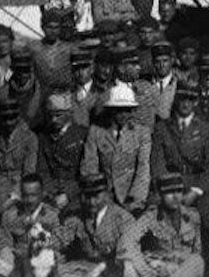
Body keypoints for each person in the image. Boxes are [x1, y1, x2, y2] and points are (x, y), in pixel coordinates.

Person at [118, 174, 204, 277]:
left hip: (182, 273)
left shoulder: (193, 216)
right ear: (160, 195)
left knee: (197, 262)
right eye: (169, 192)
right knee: (134, 262)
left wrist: (175, 264)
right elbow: (128, 239)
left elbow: (197, 252)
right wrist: (128, 264)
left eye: (179, 191)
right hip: (157, 273)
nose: (175, 197)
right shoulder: (151, 216)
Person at [56, 174, 137, 277]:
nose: (91, 202)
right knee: (58, 271)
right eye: (87, 197)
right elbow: (61, 239)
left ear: (106, 194)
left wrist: (128, 266)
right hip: (88, 268)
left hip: (114, 270)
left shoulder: (123, 218)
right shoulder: (77, 217)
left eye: (96, 196)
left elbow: (129, 247)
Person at [0, 173, 62, 277]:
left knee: (59, 269)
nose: (29, 200)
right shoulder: (10, 215)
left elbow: (56, 247)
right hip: (15, 264)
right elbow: (2, 245)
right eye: (25, 195)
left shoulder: (51, 216)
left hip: (41, 266)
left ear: (42, 194)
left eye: (33, 195)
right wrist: (13, 255)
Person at [151, 82, 209, 224]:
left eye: (191, 100)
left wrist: (196, 191)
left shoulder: (208, 129)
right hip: (169, 182)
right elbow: (157, 163)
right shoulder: (162, 128)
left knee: (206, 217)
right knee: (155, 214)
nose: (186, 104)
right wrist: (170, 191)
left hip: (198, 183)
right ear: (175, 99)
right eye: (182, 99)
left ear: (196, 102)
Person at [80, 83, 151, 214]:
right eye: (119, 110)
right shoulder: (96, 132)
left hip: (131, 198)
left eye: (128, 110)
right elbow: (90, 167)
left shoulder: (142, 133)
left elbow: (143, 169)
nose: (124, 114)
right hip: (104, 197)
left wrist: (135, 200)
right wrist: (99, 198)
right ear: (111, 110)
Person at [0, 100, 39, 217]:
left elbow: (28, 173)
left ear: (18, 116)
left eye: (12, 117)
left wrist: (11, 200)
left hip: (19, 188)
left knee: (11, 215)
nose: (9, 122)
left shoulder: (30, 138)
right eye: (5, 118)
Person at [37, 92, 89, 216]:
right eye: (50, 116)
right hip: (50, 193)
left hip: (77, 192)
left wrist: (69, 194)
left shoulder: (83, 135)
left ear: (69, 114)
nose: (53, 120)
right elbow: (42, 170)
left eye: (58, 115)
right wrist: (50, 194)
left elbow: (87, 174)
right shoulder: (43, 137)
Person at [0, 50, 45, 130]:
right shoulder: (3, 92)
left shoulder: (42, 91)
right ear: (12, 69)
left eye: (25, 69)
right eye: (19, 69)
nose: (22, 73)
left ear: (31, 69)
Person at [113, 47, 158, 129]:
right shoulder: (109, 91)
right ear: (121, 68)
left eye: (138, 64)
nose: (139, 68)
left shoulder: (146, 87)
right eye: (133, 65)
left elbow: (152, 117)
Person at [33, 9, 73, 94]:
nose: (53, 31)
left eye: (56, 27)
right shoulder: (35, 49)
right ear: (42, 27)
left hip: (65, 94)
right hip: (42, 94)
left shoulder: (68, 48)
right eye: (49, 27)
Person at [148, 41, 179, 122]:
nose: (162, 65)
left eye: (165, 61)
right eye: (157, 61)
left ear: (172, 60)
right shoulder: (145, 84)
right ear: (153, 63)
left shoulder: (179, 84)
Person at [70, 50, 100, 128]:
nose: (80, 73)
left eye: (84, 68)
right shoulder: (68, 94)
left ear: (92, 69)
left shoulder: (101, 92)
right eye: (77, 68)